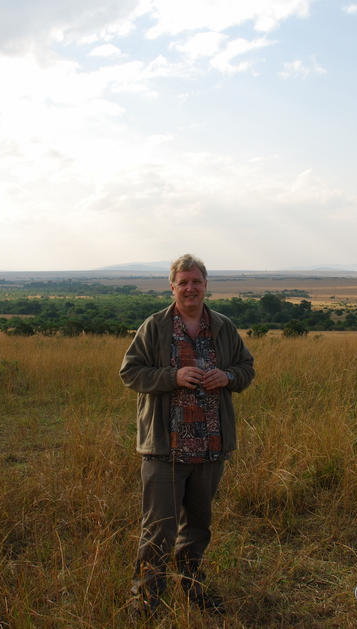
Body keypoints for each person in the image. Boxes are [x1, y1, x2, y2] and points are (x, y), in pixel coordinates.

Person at [119, 254, 255, 615]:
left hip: (211, 449)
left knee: (197, 529)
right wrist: (172, 377)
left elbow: (246, 368)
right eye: (183, 282)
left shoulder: (223, 327)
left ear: (206, 285)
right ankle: (146, 604)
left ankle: (195, 592)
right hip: (165, 450)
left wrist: (228, 377)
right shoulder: (155, 327)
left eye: (196, 282)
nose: (190, 288)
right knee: (158, 531)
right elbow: (130, 372)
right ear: (172, 287)